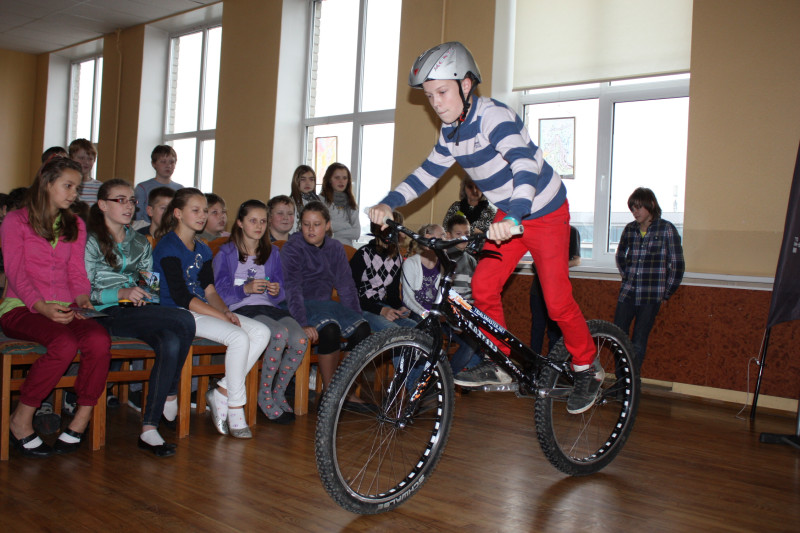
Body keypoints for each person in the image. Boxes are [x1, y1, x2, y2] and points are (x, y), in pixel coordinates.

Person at [368, 41, 600, 414]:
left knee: (556, 301)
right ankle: (501, 362)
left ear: (466, 84)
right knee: (483, 284)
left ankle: (588, 367)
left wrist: (514, 218)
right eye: (429, 96)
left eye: (442, 92)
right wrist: (388, 203)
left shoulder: (494, 117)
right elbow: (426, 174)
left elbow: (525, 165)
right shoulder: (450, 135)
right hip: (508, 214)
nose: (437, 103)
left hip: (543, 211)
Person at [0, 157, 111, 457]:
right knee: (63, 344)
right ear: (47, 183)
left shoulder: (74, 224)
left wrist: (82, 298)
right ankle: (21, 420)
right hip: (20, 306)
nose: (74, 194)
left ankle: (79, 421)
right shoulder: (15, 221)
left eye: (77, 187)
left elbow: (76, 272)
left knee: (99, 340)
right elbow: (15, 272)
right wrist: (41, 306)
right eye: (68, 186)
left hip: (63, 307)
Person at [85, 179, 195, 457]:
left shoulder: (140, 242)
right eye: (119, 200)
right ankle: (170, 394)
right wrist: (120, 292)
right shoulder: (90, 240)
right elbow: (83, 290)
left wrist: (142, 294)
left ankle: (149, 428)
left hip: (136, 310)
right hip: (102, 312)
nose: (128, 205)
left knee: (170, 340)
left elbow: (151, 288)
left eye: (131, 200)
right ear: (102, 205)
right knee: (185, 320)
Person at [153, 188, 269, 438]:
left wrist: (226, 311)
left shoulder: (203, 249)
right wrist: (220, 317)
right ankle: (236, 408)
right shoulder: (168, 246)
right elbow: (182, 297)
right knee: (238, 337)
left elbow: (210, 290)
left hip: (202, 309)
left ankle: (222, 392)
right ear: (178, 213)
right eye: (195, 210)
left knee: (261, 331)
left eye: (205, 210)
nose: (202, 215)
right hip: (178, 313)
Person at [213, 200, 307, 424]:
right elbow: (217, 291)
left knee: (300, 339)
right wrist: (244, 288)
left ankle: (278, 392)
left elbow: (280, 289)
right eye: (252, 221)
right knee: (277, 333)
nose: (258, 226)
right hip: (241, 308)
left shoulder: (272, 252)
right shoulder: (226, 253)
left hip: (268, 306)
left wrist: (276, 290)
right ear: (240, 223)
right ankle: (263, 396)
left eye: (263, 221)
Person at [280, 201, 370, 400]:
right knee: (330, 330)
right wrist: (301, 323)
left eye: (317, 224)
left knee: (362, 328)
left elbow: (346, 285)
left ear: (328, 225)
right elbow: (292, 288)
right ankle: (331, 393)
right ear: (300, 225)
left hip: (325, 305)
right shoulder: (292, 247)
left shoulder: (335, 248)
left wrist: (355, 315)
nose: (311, 229)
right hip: (299, 305)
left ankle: (344, 386)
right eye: (306, 224)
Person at [614, 187, 684, 374]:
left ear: (651, 205)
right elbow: (620, 255)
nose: (635, 212)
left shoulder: (666, 229)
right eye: (632, 208)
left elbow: (677, 265)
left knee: (638, 342)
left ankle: (632, 385)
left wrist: (666, 294)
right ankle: (621, 383)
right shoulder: (630, 229)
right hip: (627, 293)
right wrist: (626, 274)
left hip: (651, 297)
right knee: (618, 338)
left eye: (638, 207)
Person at [349, 211, 416, 332]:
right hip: (362, 309)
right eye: (399, 229)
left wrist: (400, 308)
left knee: (417, 329)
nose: (403, 235)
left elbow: (392, 295)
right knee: (394, 332)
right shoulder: (363, 254)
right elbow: (351, 296)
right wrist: (381, 310)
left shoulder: (396, 258)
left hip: (382, 307)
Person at [529, 225, 581, 358]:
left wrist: (554, 264)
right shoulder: (542, 230)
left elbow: (576, 260)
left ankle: (552, 368)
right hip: (538, 290)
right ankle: (533, 367)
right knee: (537, 329)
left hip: (558, 290)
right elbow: (535, 262)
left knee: (555, 332)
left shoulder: (571, 231)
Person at [444, 215, 483, 375]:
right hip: (449, 318)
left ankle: (463, 377)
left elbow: (475, 293)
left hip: (467, 315)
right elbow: (443, 296)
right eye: (458, 234)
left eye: (466, 233)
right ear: (448, 236)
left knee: (484, 345)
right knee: (471, 344)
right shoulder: (445, 258)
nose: (463, 237)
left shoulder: (471, 260)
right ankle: (448, 378)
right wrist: (457, 320)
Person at [134, 145, 182, 223]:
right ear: (154, 164)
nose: (168, 166)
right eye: (163, 162)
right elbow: (138, 217)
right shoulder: (142, 188)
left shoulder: (180, 189)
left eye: (172, 162)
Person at [320, 163, 361, 246]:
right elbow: (322, 226)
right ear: (329, 180)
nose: (341, 181)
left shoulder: (352, 204)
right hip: (326, 249)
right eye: (337, 177)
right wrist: (347, 225)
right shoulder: (320, 201)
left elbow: (356, 233)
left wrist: (333, 234)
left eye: (345, 178)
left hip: (347, 250)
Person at [69, 138, 101, 205]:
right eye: (81, 158)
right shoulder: (66, 185)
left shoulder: (100, 187)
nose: (86, 162)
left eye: (90, 159)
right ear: (71, 159)